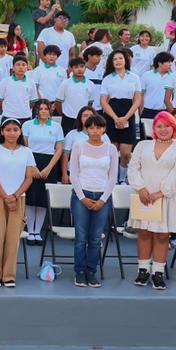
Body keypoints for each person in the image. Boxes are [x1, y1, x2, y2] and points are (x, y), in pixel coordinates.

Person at [127, 111, 176, 291]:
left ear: (174, 128)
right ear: (154, 128)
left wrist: (161, 192)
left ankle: (158, 273)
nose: (163, 129)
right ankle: (143, 270)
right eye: (159, 126)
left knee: (162, 235)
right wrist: (141, 188)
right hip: (144, 197)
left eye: (167, 126)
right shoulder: (142, 145)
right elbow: (133, 168)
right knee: (144, 233)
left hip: (166, 198)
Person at [68, 114, 119, 288]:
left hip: (102, 196)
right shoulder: (79, 146)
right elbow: (73, 174)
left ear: (104, 129)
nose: (95, 131)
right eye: (91, 127)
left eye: (99, 127)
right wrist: (82, 197)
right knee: (81, 237)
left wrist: (103, 200)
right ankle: (79, 272)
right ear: (87, 129)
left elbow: (113, 177)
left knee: (96, 238)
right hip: (81, 195)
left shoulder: (111, 149)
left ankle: (91, 272)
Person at [0, 118, 36, 288]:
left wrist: (14, 196)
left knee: (13, 239)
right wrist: (6, 197)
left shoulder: (27, 152)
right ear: (2, 132)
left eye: (15, 129)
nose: (12, 133)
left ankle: (8, 276)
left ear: (20, 132)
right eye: (8, 129)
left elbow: (29, 178)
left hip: (18, 198)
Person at [21, 100, 64, 245]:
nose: (44, 111)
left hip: (49, 164)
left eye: (46, 108)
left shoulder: (57, 126)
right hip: (31, 162)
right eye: (41, 108)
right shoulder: (28, 125)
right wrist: (32, 166)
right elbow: (25, 146)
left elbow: (59, 149)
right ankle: (30, 231)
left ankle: (37, 231)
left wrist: (49, 167)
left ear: (50, 110)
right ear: (36, 111)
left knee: (42, 200)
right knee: (31, 197)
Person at [99, 49, 142, 174]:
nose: (118, 61)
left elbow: (137, 100)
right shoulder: (107, 79)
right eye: (115, 59)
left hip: (128, 114)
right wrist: (115, 118)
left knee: (126, 153)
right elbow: (103, 101)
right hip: (111, 115)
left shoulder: (134, 77)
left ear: (125, 60)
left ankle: (122, 178)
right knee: (111, 151)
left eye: (120, 58)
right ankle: (111, 178)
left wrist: (125, 118)